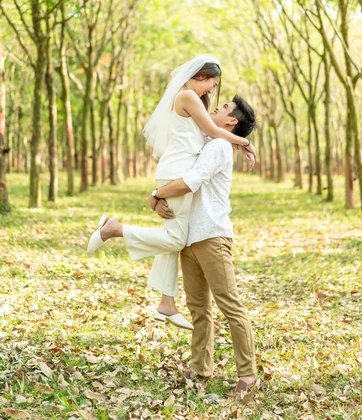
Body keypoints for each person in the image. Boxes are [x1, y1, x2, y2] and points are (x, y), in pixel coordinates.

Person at [87, 55, 256, 330]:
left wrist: (234, 141)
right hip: (178, 171)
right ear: (200, 76)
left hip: (177, 169)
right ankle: (114, 229)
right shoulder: (187, 95)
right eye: (211, 85)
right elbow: (213, 129)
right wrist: (245, 142)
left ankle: (166, 304)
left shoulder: (191, 98)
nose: (211, 92)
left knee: (174, 237)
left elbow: (210, 134)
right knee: (176, 240)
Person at [147, 95, 258, 396]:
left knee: (230, 305)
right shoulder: (209, 142)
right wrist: (245, 143)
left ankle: (247, 375)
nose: (213, 110)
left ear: (231, 121)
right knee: (198, 309)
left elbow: (191, 180)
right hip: (188, 238)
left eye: (221, 109)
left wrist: (156, 194)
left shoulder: (219, 146)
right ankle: (200, 369)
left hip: (211, 236)